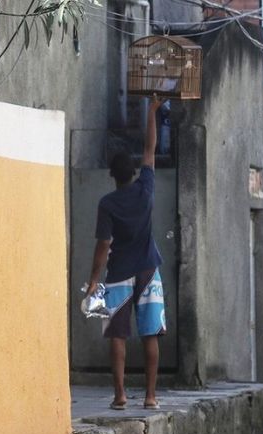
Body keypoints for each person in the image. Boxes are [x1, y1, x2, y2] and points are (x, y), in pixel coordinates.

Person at [86, 96, 167, 410]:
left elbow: (103, 246)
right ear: (134, 171)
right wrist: (152, 112)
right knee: (151, 334)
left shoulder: (107, 204)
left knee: (117, 335)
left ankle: (119, 395)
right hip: (149, 269)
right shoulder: (145, 189)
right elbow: (149, 149)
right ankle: (150, 396)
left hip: (118, 272)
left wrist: (94, 281)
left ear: (111, 175)